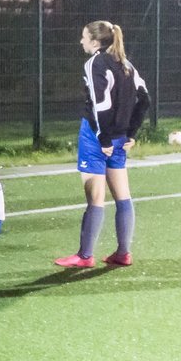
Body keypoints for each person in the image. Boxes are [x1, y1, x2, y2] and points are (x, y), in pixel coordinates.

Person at [55, 20, 150, 268]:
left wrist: (102, 138)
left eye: (84, 37)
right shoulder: (126, 63)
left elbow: (100, 104)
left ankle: (85, 256)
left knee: (95, 197)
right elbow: (145, 99)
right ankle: (123, 252)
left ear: (95, 42)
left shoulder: (95, 63)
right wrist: (131, 133)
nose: (81, 41)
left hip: (97, 137)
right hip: (119, 138)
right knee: (122, 195)